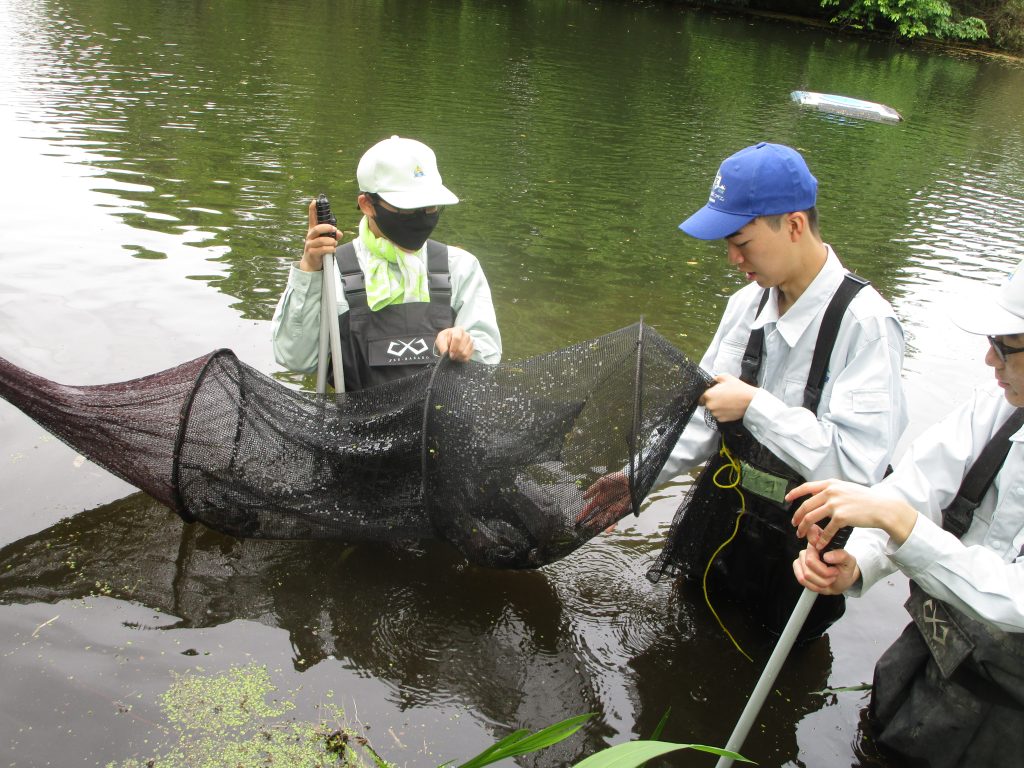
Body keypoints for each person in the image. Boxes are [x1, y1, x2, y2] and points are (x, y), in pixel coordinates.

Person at [583, 142, 908, 641]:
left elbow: (856, 468)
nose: (733, 258)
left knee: (776, 653)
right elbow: (701, 417)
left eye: (742, 242)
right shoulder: (744, 305)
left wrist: (755, 407)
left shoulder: (866, 326)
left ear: (793, 225)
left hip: (805, 542)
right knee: (687, 632)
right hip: (725, 509)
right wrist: (637, 478)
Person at [791, 260, 1024, 768]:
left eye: (1006, 345)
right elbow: (915, 487)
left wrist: (899, 524)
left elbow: (1016, 600)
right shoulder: (999, 405)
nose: (989, 359)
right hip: (931, 659)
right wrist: (856, 562)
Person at [271, 135, 501, 391]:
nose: (422, 218)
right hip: (358, 417)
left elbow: (488, 360)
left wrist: (467, 346)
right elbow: (296, 359)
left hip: (441, 414)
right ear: (367, 204)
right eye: (408, 209)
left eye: (430, 207)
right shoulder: (330, 271)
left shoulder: (459, 267)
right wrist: (309, 272)